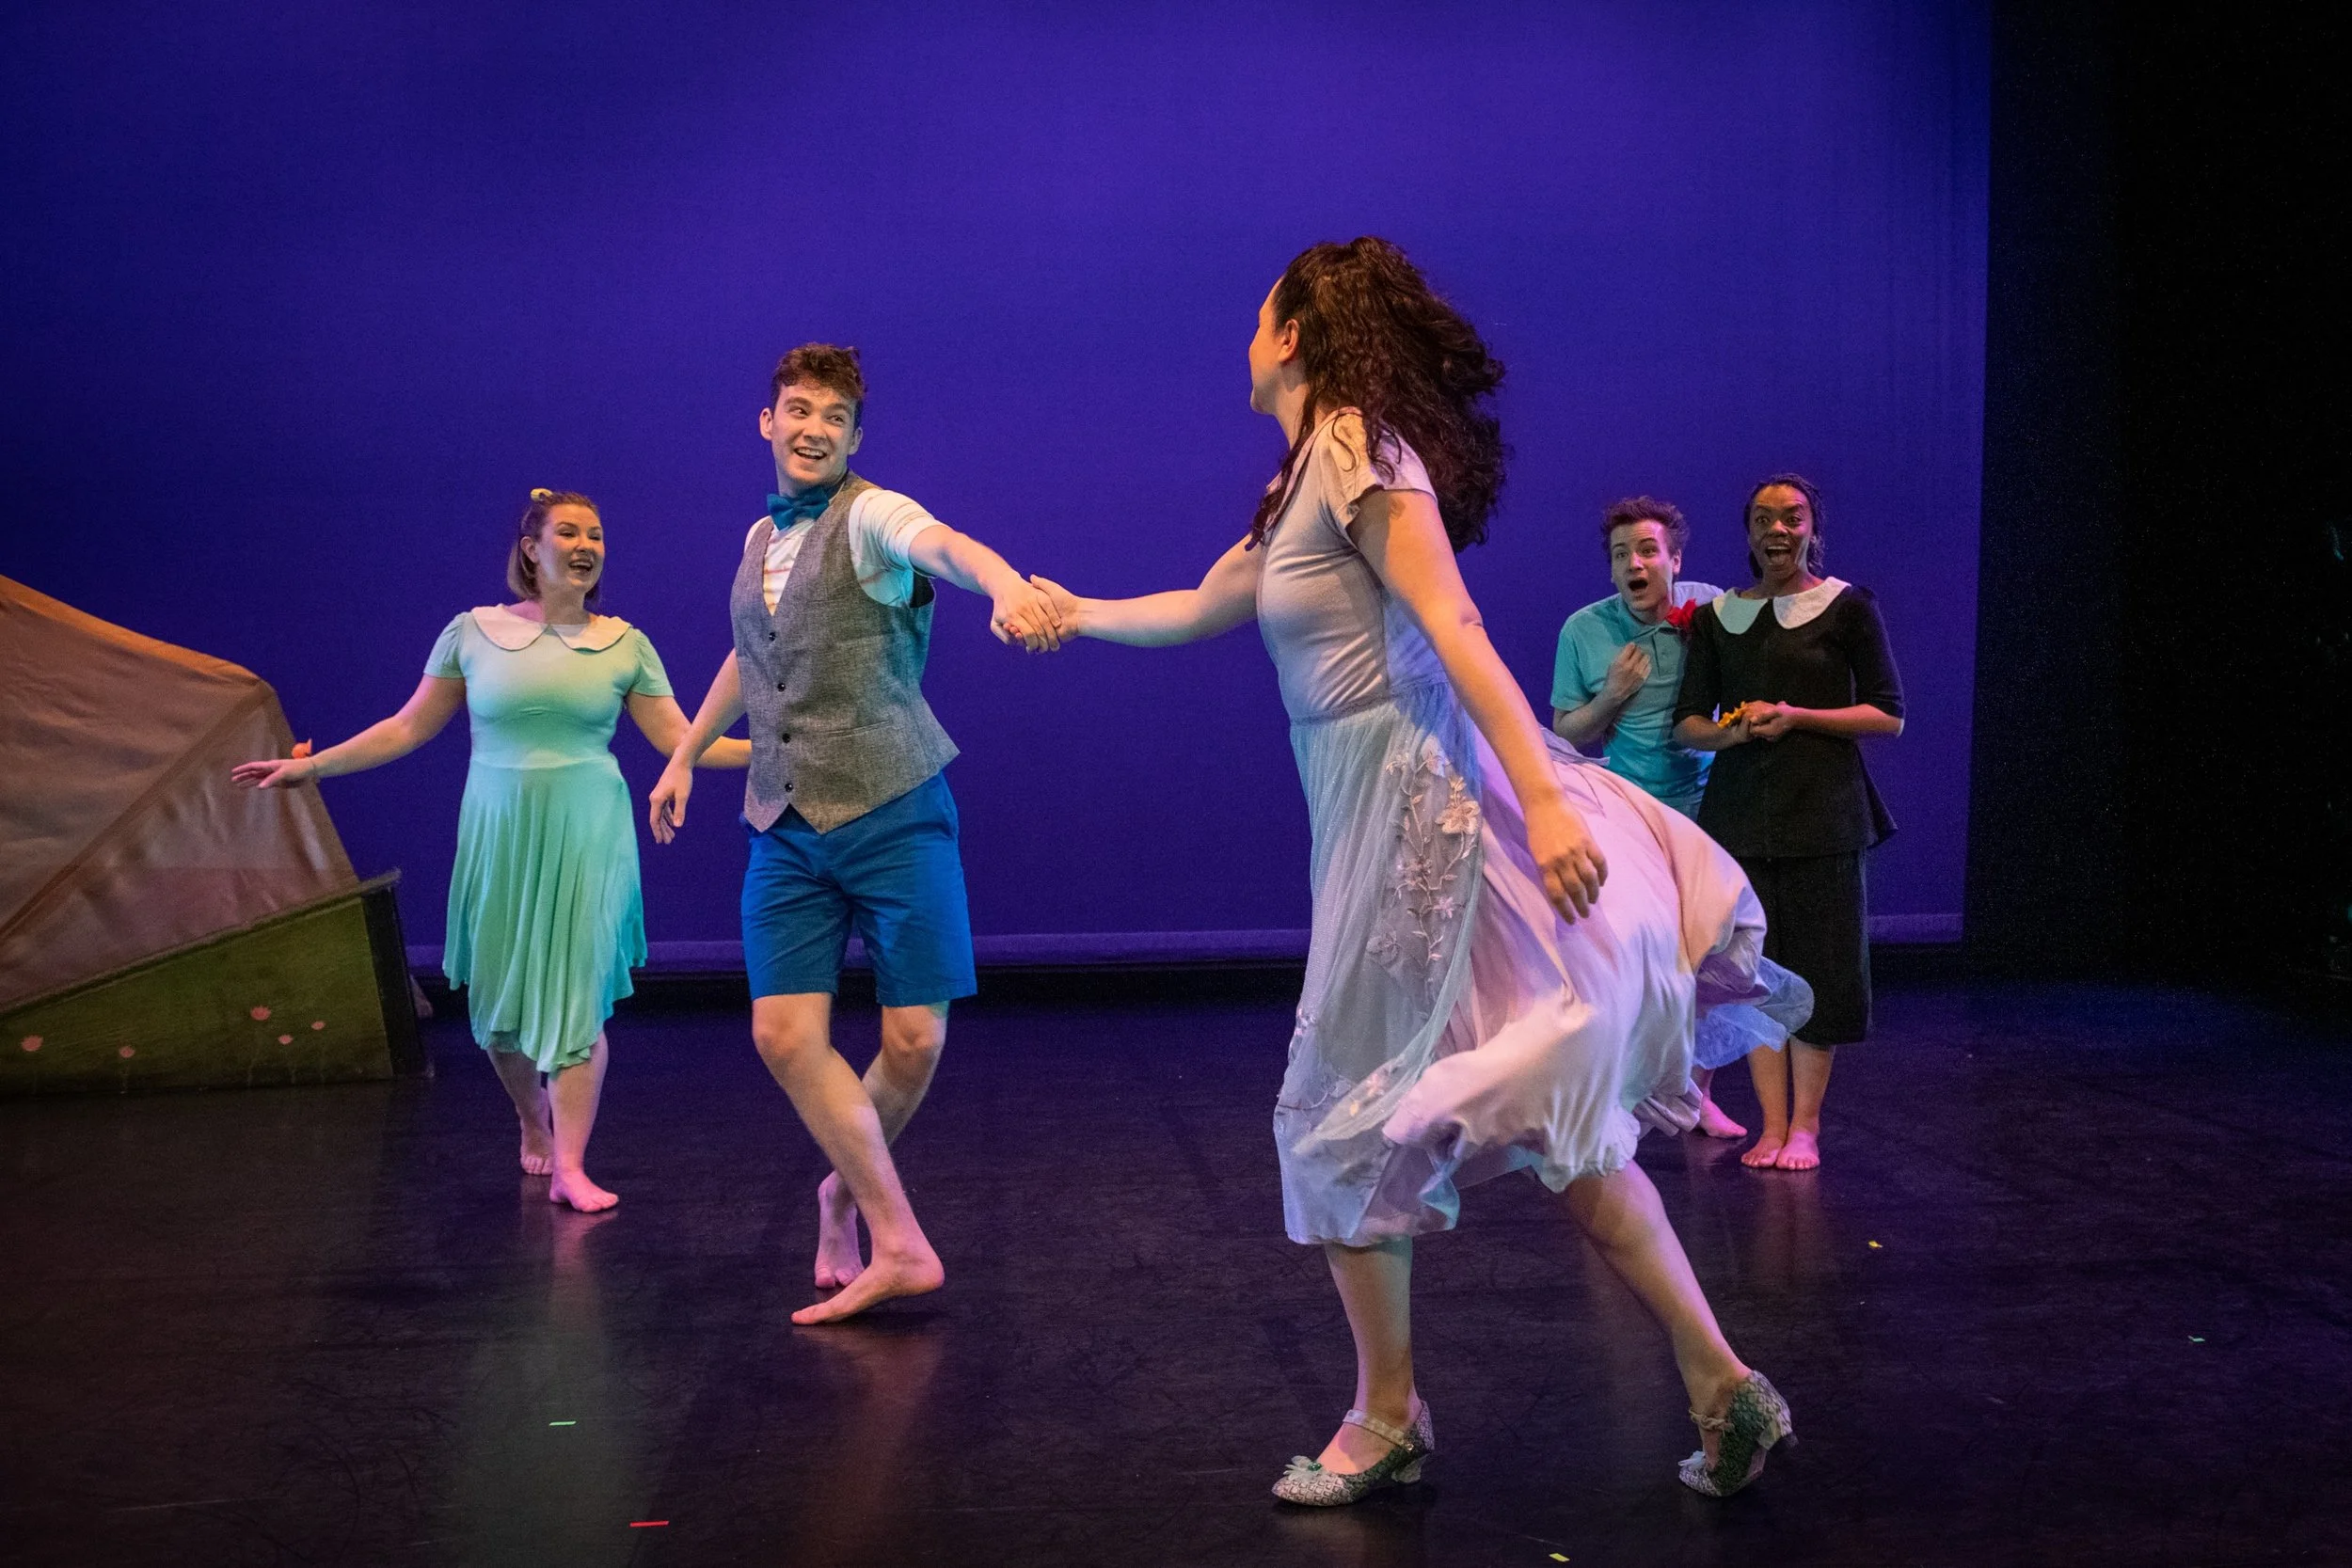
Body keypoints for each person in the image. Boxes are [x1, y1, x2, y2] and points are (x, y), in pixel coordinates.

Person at [1029, 240, 1802, 1503]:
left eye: (1257, 314)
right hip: (1372, 804)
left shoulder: (1358, 449)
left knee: (1339, 1111)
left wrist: (1549, 800)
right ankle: (1724, 1382)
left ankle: (1386, 1414)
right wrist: (1076, 610)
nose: (1244, 334)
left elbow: (1456, 625)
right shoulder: (1304, 476)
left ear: (1294, 333)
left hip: (1418, 808)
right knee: (1560, 1128)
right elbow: (1202, 601)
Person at [647, 344, 1065, 1326]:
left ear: (854, 436)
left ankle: (843, 1190)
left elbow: (949, 545)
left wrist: (1002, 585)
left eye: (833, 417)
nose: (813, 429)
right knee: (781, 1031)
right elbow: (752, 656)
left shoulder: (872, 517)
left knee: (913, 1037)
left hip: (891, 805)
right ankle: (900, 1236)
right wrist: (684, 753)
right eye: (797, 410)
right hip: (784, 819)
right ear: (767, 421)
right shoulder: (758, 538)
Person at [233, 488, 749, 1212]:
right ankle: (529, 1115)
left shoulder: (625, 643)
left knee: (578, 1000)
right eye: (568, 531)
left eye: (596, 534)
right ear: (531, 548)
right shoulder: (471, 633)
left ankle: (571, 1165)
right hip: (501, 833)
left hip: (589, 833)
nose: (585, 544)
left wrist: (777, 750)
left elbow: (683, 741)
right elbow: (406, 728)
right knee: (499, 1012)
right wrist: (312, 768)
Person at [1671, 474, 1904, 1172]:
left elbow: (1889, 714)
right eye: (1764, 518)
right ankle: (1771, 1126)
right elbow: (1688, 724)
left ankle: (1805, 1128)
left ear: (1811, 527)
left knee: (1821, 973)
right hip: (1742, 819)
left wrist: (1798, 717)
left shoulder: (1848, 608)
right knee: (1757, 976)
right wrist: (1737, 733)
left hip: (1826, 815)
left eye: (1792, 517)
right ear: (1747, 532)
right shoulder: (1718, 620)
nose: (1778, 529)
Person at [1551, 496, 1755, 1139]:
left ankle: (1695, 1095)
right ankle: (1623, 1093)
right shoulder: (1583, 629)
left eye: (1646, 551)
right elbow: (1566, 729)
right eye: (1620, 555)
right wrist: (1610, 694)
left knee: (1706, 955)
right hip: (1626, 813)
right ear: (1611, 570)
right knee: (1633, 958)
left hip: (1704, 807)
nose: (1634, 564)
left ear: (1674, 559)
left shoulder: (1709, 610)